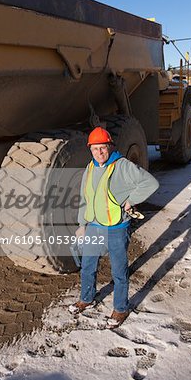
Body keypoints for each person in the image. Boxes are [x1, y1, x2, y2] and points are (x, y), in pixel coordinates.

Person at [69, 127, 159, 327]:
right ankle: (87, 298)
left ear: (110, 147)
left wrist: (131, 201)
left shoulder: (123, 165)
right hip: (93, 225)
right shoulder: (90, 168)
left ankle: (120, 309)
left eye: (102, 148)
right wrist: (82, 224)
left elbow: (150, 183)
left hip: (117, 228)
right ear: (90, 150)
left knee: (118, 271)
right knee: (88, 266)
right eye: (95, 149)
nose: (99, 153)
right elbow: (85, 198)